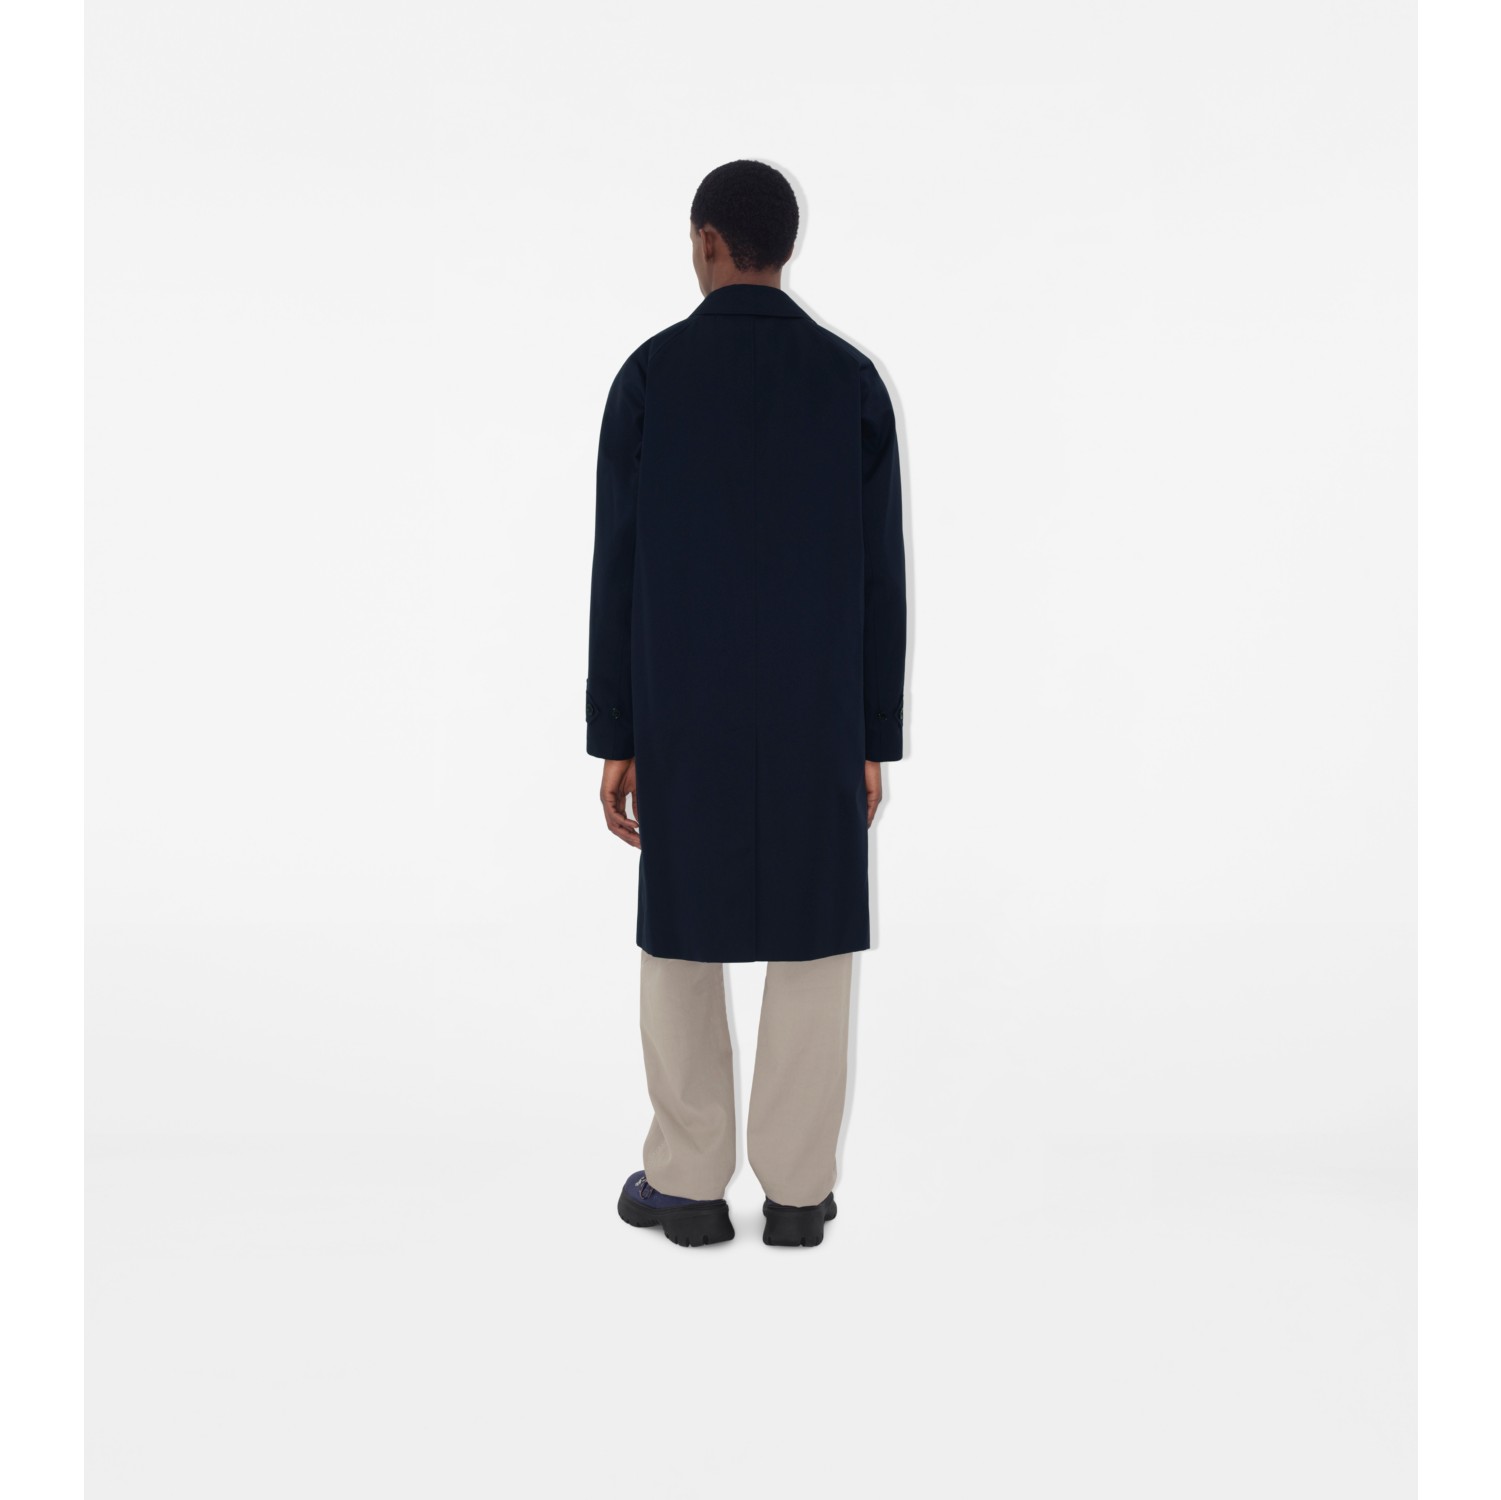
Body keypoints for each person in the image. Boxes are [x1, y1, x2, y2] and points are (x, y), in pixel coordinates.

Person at [586, 159, 907, 1249]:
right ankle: (799, 1192)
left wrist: (616, 731)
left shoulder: (651, 376)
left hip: (683, 703)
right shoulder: (849, 380)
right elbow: (879, 577)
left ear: (707, 241)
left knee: (682, 930)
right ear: (785, 246)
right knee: (813, 933)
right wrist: (872, 737)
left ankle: (686, 1184)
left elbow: (617, 565)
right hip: (817, 708)